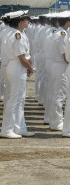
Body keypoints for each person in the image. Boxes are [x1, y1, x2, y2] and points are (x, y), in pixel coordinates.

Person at [1, 11, 35, 139]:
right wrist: (30, 67)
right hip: (16, 66)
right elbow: (21, 57)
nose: (28, 22)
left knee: (19, 99)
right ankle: (7, 129)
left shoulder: (17, 33)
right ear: (20, 22)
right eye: (26, 20)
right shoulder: (16, 35)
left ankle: (19, 127)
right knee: (14, 100)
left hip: (15, 66)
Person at [48, 11, 70, 131]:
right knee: (60, 94)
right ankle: (57, 121)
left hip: (55, 65)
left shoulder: (57, 33)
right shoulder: (62, 34)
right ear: (67, 22)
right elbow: (66, 56)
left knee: (55, 93)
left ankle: (54, 120)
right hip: (61, 66)